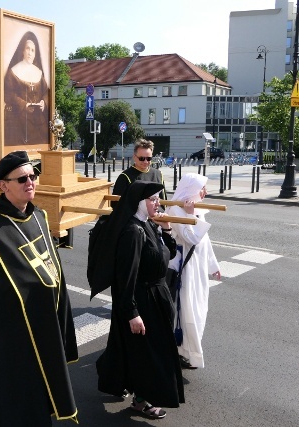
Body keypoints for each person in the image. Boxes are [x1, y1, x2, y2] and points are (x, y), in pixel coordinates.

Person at [0, 151, 78, 426]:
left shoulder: (39, 218)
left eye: (33, 176)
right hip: (9, 337)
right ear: (3, 185)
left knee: (40, 401)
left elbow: (51, 268)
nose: (30, 182)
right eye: (22, 178)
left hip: (43, 323)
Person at [94, 181, 183, 420]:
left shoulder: (149, 225)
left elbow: (168, 255)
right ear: (139, 202)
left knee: (133, 350)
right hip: (144, 300)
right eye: (153, 199)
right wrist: (132, 312)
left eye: (159, 198)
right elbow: (125, 277)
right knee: (149, 354)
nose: (158, 203)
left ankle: (116, 379)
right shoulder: (133, 232)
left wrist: (166, 230)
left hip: (157, 296)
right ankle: (142, 401)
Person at [165, 173, 221, 370]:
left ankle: (187, 352)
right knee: (187, 312)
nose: (205, 193)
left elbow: (205, 242)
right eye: (201, 189)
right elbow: (191, 238)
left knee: (199, 310)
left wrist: (214, 266)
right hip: (185, 270)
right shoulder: (175, 209)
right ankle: (183, 352)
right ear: (190, 191)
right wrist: (190, 214)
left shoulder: (194, 208)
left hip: (198, 269)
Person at [4, 32, 50, 147]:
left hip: (38, 121)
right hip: (19, 121)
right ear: (23, 51)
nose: (30, 53)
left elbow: (46, 92)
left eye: (33, 50)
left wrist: (43, 102)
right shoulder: (13, 71)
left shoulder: (39, 72)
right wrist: (24, 104)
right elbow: (8, 94)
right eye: (27, 49)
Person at [111, 138, 166, 209]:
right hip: (134, 218)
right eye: (142, 158)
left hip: (155, 217)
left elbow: (163, 202)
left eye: (149, 159)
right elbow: (116, 204)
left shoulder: (158, 174)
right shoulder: (125, 177)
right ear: (134, 157)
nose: (145, 162)